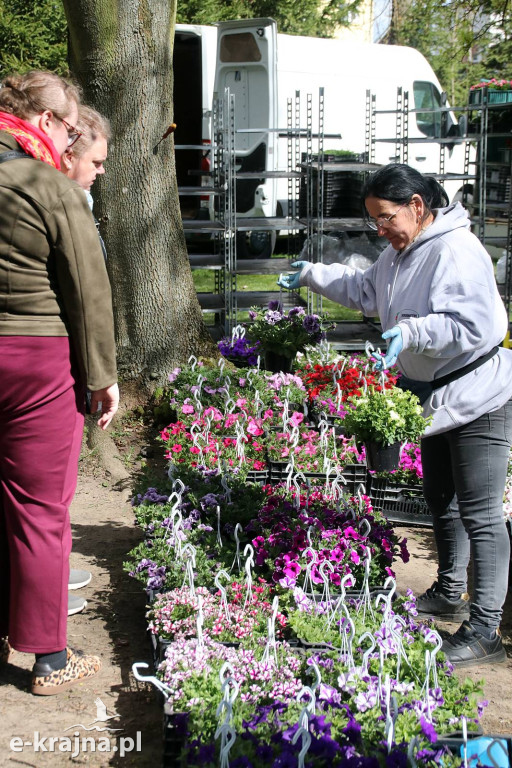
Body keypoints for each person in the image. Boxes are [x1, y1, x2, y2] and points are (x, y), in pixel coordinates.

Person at [278, 162, 512, 667]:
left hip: (479, 395)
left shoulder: (456, 250)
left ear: (417, 207)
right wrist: (314, 275)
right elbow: (368, 291)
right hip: (431, 395)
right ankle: (450, 592)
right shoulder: (399, 253)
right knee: (442, 498)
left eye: (386, 218)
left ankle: (486, 628)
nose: (380, 230)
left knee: (481, 512)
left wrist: (413, 332)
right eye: (374, 221)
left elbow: (470, 326)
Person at [0, 71, 119, 694]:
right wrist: (102, 378)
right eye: (70, 127)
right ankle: (49, 656)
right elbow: (87, 289)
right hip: (35, 359)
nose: (71, 138)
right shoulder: (45, 185)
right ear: (45, 122)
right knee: (40, 508)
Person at [61, 104, 111, 613]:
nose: (100, 171)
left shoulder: (77, 199)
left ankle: (49, 572)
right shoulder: (60, 200)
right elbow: (82, 292)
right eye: (95, 162)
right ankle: (41, 588)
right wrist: (100, 372)